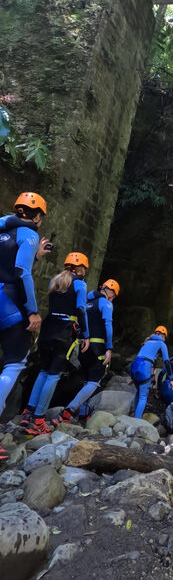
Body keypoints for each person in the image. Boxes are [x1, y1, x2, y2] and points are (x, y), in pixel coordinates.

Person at [0, 192, 48, 459]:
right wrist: (32, 312)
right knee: (15, 362)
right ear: (38, 216)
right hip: (7, 303)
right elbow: (21, 273)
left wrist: (36, 255)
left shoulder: (3, 228)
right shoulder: (28, 235)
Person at [22, 252, 90, 435]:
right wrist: (87, 335)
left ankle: (27, 413)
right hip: (64, 333)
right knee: (53, 376)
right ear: (82, 269)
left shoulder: (56, 281)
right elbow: (81, 310)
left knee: (43, 372)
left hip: (48, 329)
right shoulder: (80, 284)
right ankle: (38, 419)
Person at [52, 278, 120, 425]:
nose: (113, 299)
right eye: (114, 296)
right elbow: (108, 326)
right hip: (98, 347)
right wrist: (109, 348)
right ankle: (68, 412)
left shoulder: (87, 303)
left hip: (84, 346)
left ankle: (83, 414)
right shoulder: (105, 304)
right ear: (111, 292)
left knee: (87, 381)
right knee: (94, 382)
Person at [130, 325, 173, 418]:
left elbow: (140, 357)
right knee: (143, 397)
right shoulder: (162, 344)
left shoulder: (147, 342)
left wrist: (133, 377)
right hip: (145, 368)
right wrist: (171, 379)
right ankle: (136, 420)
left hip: (135, 367)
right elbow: (167, 362)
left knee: (138, 392)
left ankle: (134, 416)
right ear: (164, 336)